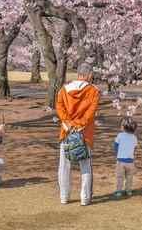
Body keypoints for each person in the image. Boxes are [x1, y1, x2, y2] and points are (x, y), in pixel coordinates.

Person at [55, 63, 100, 206]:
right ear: (89, 75)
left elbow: (59, 108)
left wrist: (68, 123)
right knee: (85, 166)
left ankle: (64, 196)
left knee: (64, 166)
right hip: (85, 133)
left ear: (78, 73)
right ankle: (85, 197)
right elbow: (91, 112)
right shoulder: (94, 91)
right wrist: (80, 125)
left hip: (66, 132)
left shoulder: (63, 90)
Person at [113, 117, 138, 198]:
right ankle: (128, 190)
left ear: (123, 126)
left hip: (120, 161)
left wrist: (117, 154)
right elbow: (135, 148)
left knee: (120, 177)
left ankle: (119, 191)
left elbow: (115, 145)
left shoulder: (120, 135)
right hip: (130, 161)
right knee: (129, 177)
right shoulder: (134, 137)